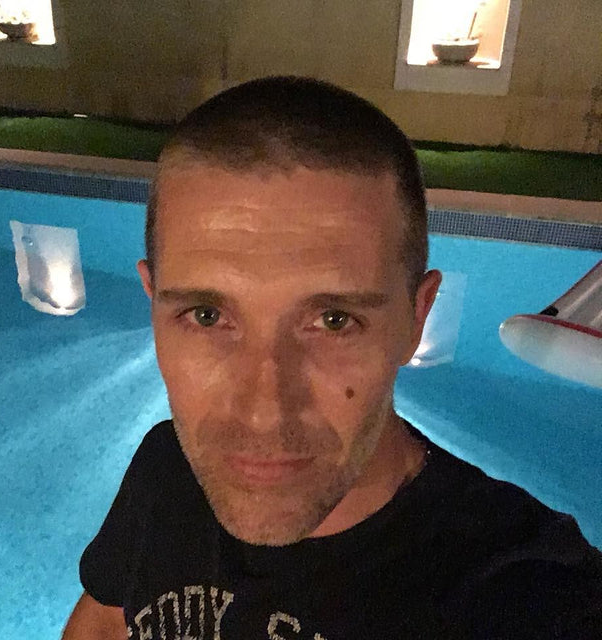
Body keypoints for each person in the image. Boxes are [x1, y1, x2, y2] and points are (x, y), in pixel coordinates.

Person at [61, 77, 602, 639]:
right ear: (152, 304)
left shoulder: (525, 591)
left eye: (334, 321)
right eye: (206, 315)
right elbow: (103, 621)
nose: (263, 413)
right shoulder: (166, 468)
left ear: (416, 319)